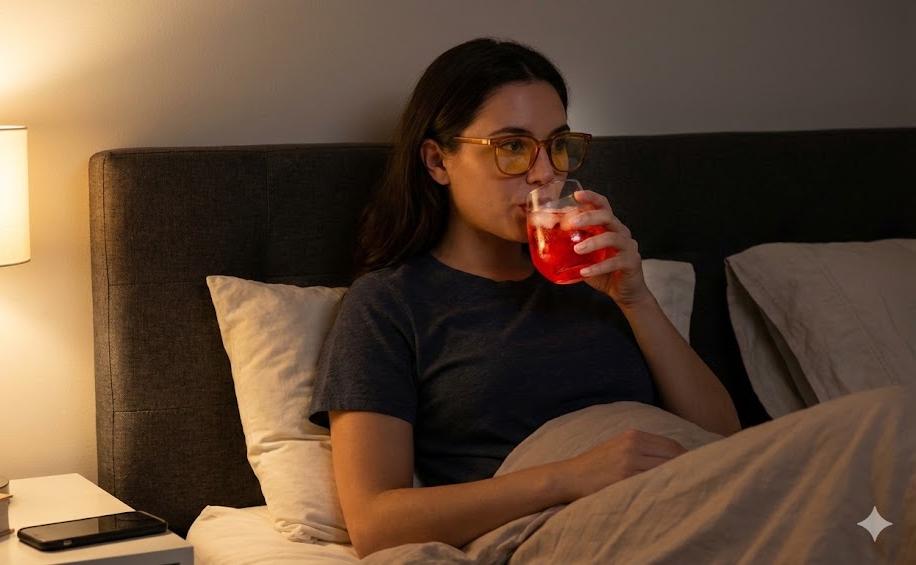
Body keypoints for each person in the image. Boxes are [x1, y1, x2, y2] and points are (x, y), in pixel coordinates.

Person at [308, 37, 741, 558]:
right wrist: (571, 476)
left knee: (861, 444)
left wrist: (637, 299)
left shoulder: (595, 279)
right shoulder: (388, 305)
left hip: (686, 491)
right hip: (563, 526)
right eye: (512, 146)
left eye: (556, 144)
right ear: (437, 161)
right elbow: (375, 523)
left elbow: (722, 439)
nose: (544, 174)